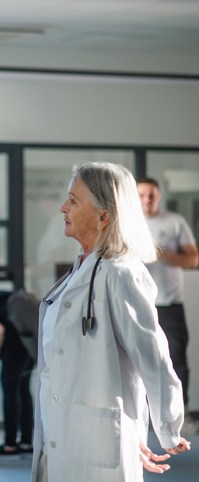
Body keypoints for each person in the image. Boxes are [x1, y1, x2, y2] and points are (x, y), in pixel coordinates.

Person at [32, 162, 191, 482]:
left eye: (74, 201)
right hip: (56, 434)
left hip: (97, 441)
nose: (64, 207)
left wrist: (168, 428)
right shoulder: (79, 270)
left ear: (104, 215)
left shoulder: (122, 273)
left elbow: (154, 357)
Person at [136, 177, 199, 434]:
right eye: (142, 194)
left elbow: (192, 260)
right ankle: (145, 417)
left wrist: (161, 253)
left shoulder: (174, 222)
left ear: (159, 196)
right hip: (137, 303)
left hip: (169, 305)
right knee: (138, 361)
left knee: (176, 361)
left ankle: (179, 418)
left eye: (152, 195)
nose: (147, 200)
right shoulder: (125, 222)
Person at [0, 290, 35, 456]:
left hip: (15, 332)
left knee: (10, 387)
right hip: (30, 334)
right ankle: (26, 442)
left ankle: (10, 444)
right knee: (22, 388)